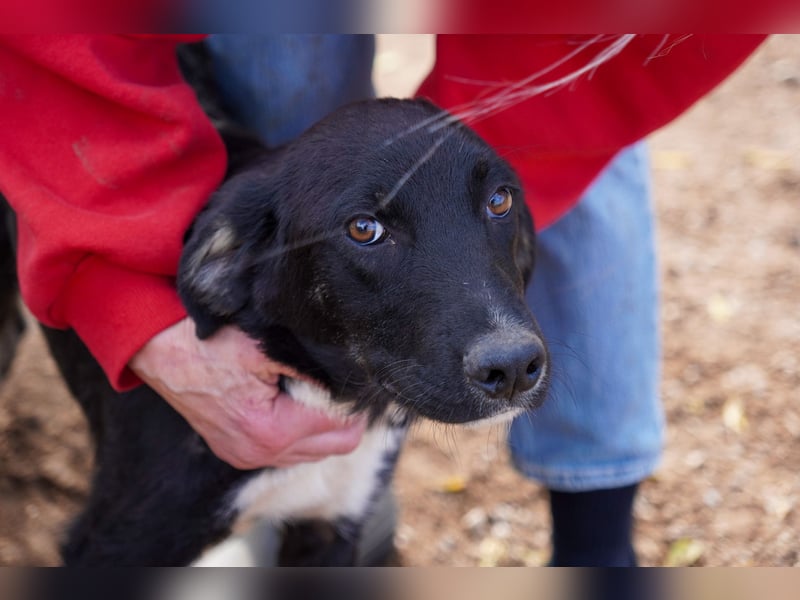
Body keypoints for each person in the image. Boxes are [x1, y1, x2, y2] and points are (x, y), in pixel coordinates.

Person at [0, 33, 765, 566]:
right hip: (67, 89)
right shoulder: (228, 301)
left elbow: (577, 95)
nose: (508, 343)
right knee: (283, 62)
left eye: (501, 205)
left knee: (563, 92)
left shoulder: (386, 364)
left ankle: (595, 542)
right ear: (223, 272)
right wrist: (128, 304)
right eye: (367, 229)